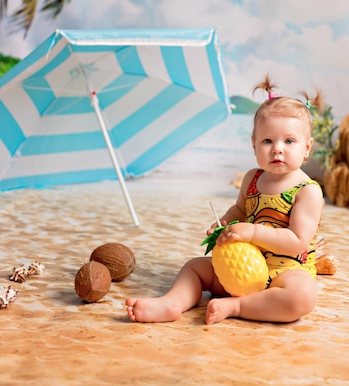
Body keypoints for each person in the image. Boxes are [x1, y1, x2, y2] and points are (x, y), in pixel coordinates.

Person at [126, 75, 325, 325]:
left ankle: (237, 305)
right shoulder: (252, 179)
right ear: (253, 145)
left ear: (307, 148)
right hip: (241, 269)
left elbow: (297, 242)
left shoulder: (307, 190)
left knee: (302, 297)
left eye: (289, 141)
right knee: (195, 267)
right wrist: (224, 223)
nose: (277, 148)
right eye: (267, 140)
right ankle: (172, 303)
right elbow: (241, 209)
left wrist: (252, 232)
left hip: (285, 274)